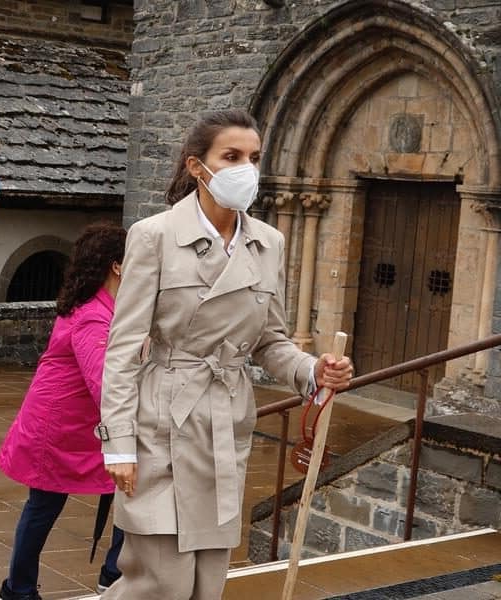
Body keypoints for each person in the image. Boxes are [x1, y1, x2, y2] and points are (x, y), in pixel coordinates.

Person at [97, 109, 354, 599]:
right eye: (231, 157)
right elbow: (123, 349)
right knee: (159, 584)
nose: (246, 168)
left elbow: (271, 341)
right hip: (162, 424)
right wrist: (119, 443)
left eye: (254, 158)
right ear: (197, 166)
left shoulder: (270, 243)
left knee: (205, 585)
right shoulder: (153, 235)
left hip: (226, 425)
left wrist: (313, 369)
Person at [0, 223, 127, 600]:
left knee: (126, 490)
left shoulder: (100, 307)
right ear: (117, 266)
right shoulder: (93, 316)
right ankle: (20, 589)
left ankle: (113, 571)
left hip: (72, 425)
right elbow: (103, 381)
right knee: (44, 506)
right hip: (58, 429)